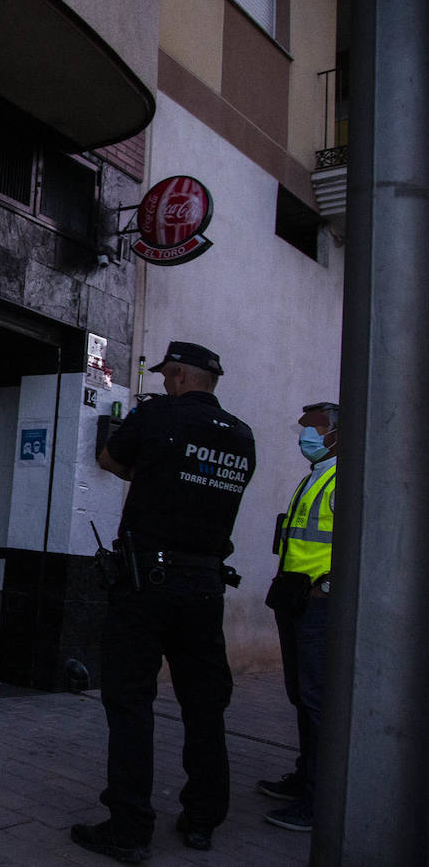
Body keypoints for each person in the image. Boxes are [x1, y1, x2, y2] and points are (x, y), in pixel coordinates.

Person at [72, 341, 256, 863]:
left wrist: (146, 466)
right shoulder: (242, 435)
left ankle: (129, 828)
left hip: (146, 583)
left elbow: (108, 458)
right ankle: (201, 821)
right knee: (204, 705)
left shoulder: (157, 416)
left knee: (131, 703)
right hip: (205, 585)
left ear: (177, 375)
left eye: (168, 374)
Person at [259, 401, 338, 832]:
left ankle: (319, 800)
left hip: (318, 606)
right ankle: (305, 777)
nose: (305, 435)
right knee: (302, 697)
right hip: (295, 601)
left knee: (317, 701)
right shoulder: (317, 477)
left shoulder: (342, 476)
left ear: (336, 434)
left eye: (314, 428)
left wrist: (323, 589)